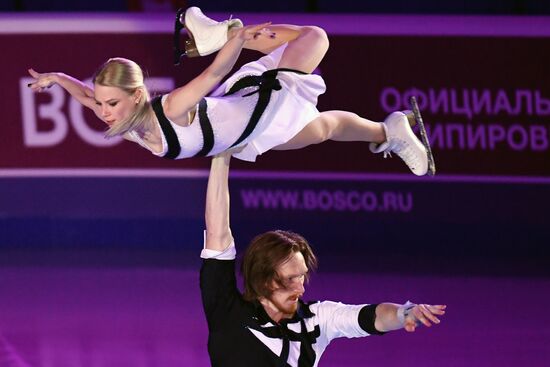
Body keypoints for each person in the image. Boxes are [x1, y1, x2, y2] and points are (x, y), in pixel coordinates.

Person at [27, 7, 434, 176]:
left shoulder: (169, 109)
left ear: (136, 96)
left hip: (260, 102)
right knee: (323, 129)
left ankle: (221, 30)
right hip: (249, 132)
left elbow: (214, 74)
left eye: (110, 103)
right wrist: (59, 78)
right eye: (101, 104)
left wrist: (232, 41)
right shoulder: (128, 121)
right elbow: (85, 95)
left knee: (316, 37)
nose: (102, 111)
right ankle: (390, 131)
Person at [201, 149, 446, 366]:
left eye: (302, 276)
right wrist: (222, 152)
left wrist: (405, 314)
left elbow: (371, 317)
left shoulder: (316, 319)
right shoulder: (226, 309)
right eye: (290, 279)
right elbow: (217, 231)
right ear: (264, 279)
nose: (300, 287)